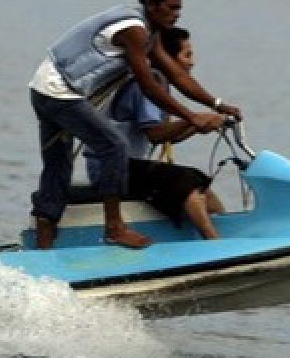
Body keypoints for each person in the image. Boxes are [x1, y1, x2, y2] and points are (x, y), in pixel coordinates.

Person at [28, 0, 241, 249]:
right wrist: (191, 117)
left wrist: (217, 103)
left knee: (58, 166)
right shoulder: (133, 30)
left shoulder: (149, 32)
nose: (176, 15)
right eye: (171, 8)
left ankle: (44, 247)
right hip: (58, 92)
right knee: (113, 145)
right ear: (151, 5)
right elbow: (149, 85)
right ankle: (115, 229)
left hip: (46, 88)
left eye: (179, 9)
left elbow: (175, 74)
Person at [85, 26, 225, 240]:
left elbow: (169, 136)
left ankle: (222, 234)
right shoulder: (148, 83)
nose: (191, 62)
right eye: (187, 55)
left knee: (206, 193)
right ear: (166, 58)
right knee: (187, 179)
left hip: (130, 165)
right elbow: (155, 134)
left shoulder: (157, 83)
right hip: (112, 167)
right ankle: (214, 243)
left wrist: (198, 125)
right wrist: (196, 119)